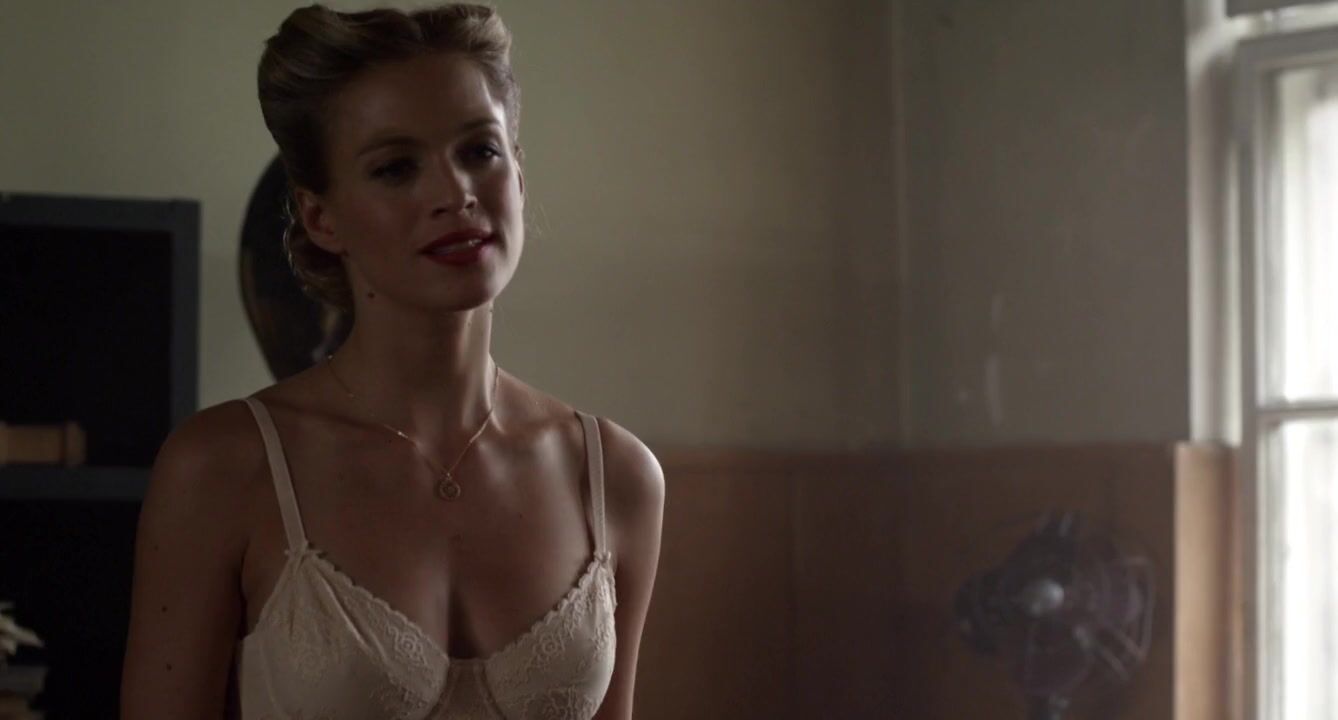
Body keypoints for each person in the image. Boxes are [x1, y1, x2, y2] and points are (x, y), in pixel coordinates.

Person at [120, 5, 665, 718]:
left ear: (519, 175)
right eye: (397, 168)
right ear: (322, 218)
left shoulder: (615, 476)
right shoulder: (225, 468)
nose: (455, 193)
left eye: (480, 151)